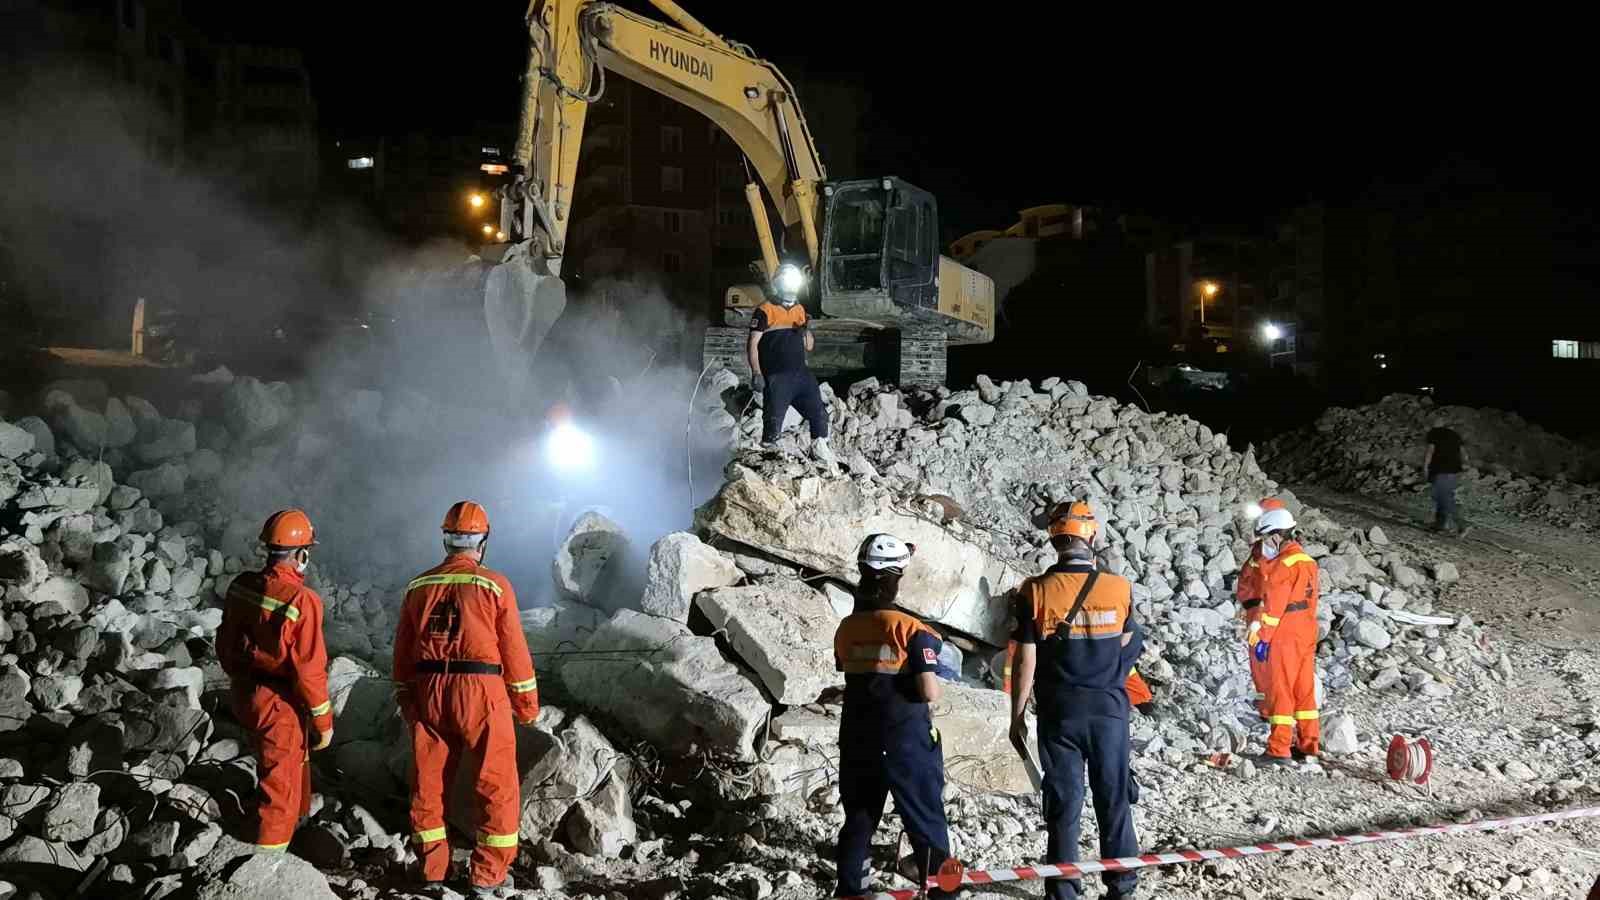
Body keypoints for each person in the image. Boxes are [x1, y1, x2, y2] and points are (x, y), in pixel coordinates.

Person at [393, 501, 539, 898]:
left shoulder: (418, 586)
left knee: (428, 782)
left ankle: (432, 871)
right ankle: (486, 878)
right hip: (480, 690)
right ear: (483, 541)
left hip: (428, 690)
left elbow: (403, 651)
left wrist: (407, 697)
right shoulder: (493, 584)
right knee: (495, 782)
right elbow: (514, 650)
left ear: (446, 539)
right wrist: (526, 706)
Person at [1009, 502, 1141, 900]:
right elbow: (1129, 641)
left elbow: (1025, 659)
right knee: (1114, 798)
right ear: (1092, 536)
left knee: (1064, 803)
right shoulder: (1120, 588)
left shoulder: (1034, 590)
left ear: (1054, 540)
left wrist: (1016, 716)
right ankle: (1122, 887)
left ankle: (1064, 892)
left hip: (1059, 712)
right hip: (1109, 712)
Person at [832, 534, 955, 898]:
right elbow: (929, 691)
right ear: (898, 575)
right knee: (927, 821)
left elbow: (855, 675)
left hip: (858, 736)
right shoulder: (912, 629)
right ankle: (944, 892)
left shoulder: (847, 627)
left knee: (859, 818)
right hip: (906, 740)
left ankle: (852, 890)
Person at [216, 509, 334, 852]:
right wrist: (324, 722)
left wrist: (240, 679)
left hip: (245, 691)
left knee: (291, 761)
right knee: (279, 786)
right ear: (303, 554)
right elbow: (310, 670)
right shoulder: (303, 601)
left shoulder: (242, 586)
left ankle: (298, 826)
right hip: (279, 703)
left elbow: (224, 641)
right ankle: (267, 864)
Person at [748, 260, 837, 471]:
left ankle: (820, 449)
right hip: (777, 377)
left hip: (801, 376)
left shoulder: (799, 309)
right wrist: (756, 373)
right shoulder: (765, 310)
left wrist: (805, 329)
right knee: (774, 419)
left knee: (819, 414)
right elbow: (753, 343)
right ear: (777, 284)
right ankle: (770, 460)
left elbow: (809, 346)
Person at [1250, 506, 1321, 765]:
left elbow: (1273, 608)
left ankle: (1278, 749)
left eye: (1266, 538)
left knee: (1280, 688)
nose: (1265, 544)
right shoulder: (1308, 562)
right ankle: (1309, 744)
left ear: (1276, 535)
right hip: (1306, 630)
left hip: (1285, 633)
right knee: (1304, 690)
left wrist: (1263, 638)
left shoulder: (1282, 566)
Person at [1238, 497, 1288, 719]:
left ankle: (1277, 708)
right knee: (1258, 664)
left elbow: (1276, 591)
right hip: (1258, 614)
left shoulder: (1284, 557)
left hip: (1275, 618)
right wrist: (1249, 608)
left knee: (1276, 667)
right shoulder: (1260, 552)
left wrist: (1262, 621)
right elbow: (1247, 581)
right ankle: (1265, 706)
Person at [1424, 421, 1469, 535]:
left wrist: (1425, 467)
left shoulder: (1434, 433)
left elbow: (1430, 451)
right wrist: (1466, 464)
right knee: (1442, 496)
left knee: (1443, 498)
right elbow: (1463, 453)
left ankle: (1462, 525)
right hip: (1453, 471)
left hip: (1440, 469)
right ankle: (1440, 526)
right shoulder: (1455, 435)